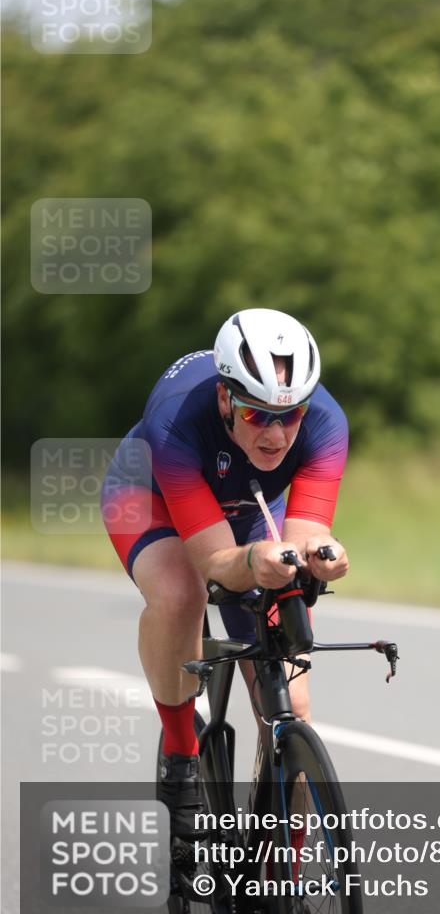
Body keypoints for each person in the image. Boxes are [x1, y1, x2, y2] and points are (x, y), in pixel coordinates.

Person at [101, 308, 349, 836]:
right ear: (224, 399)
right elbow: (216, 563)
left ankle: (287, 883)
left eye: (291, 415)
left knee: (293, 706)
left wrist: (320, 555)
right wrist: (253, 563)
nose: (277, 434)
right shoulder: (174, 417)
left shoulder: (328, 423)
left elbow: (304, 538)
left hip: (248, 507)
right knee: (181, 595)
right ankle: (180, 755)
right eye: (258, 415)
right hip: (150, 497)